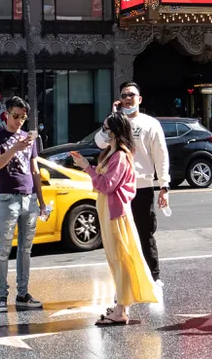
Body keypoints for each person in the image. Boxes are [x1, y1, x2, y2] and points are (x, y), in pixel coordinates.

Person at [71, 112, 158, 325]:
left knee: (121, 260)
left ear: (116, 131)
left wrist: (87, 168)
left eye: (107, 128)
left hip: (115, 214)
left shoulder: (119, 155)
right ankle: (120, 306)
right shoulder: (113, 153)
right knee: (118, 260)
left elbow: (107, 185)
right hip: (110, 212)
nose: (104, 131)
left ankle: (121, 310)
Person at [0, 96, 46, 313]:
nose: (19, 121)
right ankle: (1, 296)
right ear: (6, 114)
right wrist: (14, 148)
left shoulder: (28, 139)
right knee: (4, 250)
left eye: (22, 117)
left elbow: (35, 170)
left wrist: (41, 202)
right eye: (15, 116)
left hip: (29, 198)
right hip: (8, 199)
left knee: (25, 250)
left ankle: (23, 293)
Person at [114, 82, 170, 286]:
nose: (127, 98)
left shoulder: (150, 124)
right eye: (123, 95)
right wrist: (112, 119)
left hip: (142, 187)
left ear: (140, 99)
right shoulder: (115, 122)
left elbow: (161, 155)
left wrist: (164, 186)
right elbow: (100, 142)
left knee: (145, 233)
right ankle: (127, 278)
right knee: (121, 235)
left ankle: (153, 277)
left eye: (131, 94)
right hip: (118, 188)